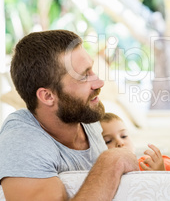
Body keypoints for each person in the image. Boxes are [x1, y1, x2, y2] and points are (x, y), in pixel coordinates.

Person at [0, 30, 139, 200]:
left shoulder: (86, 117)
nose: (99, 82)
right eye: (83, 76)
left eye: (92, 70)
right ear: (47, 96)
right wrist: (112, 161)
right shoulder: (20, 141)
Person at [100, 112, 170, 171]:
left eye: (124, 136)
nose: (120, 142)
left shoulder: (147, 162)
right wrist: (161, 175)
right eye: (108, 141)